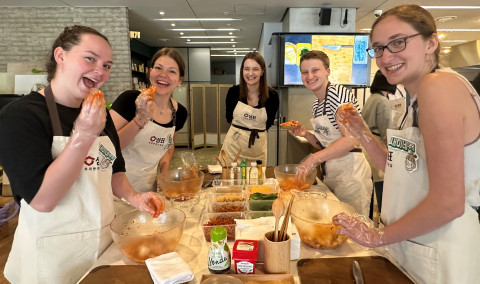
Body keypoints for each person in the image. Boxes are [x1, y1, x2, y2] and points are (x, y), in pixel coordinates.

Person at [0, 25, 164, 283]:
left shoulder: (98, 112)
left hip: (102, 248)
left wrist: (135, 197)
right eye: (90, 58)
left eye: (107, 65)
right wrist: (83, 135)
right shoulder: (21, 116)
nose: (100, 71)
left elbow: (114, 170)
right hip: (52, 261)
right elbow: (43, 201)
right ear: (60, 56)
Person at [333, 5, 480, 284]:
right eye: (378, 48)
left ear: (431, 42)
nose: (386, 56)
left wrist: (376, 236)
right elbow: (402, 174)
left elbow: (449, 203)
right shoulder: (408, 98)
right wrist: (363, 134)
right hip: (413, 243)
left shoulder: (438, 86)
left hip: (442, 247)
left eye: (398, 42)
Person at [292, 50, 372, 216]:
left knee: (353, 227)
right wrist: (306, 134)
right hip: (333, 172)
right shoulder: (317, 104)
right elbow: (325, 144)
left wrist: (313, 159)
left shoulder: (339, 94)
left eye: (315, 70)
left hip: (351, 174)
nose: (309, 76)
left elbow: (351, 140)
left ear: (328, 71)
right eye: (305, 72)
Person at [110, 48, 188, 193]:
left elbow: (168, 145)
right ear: (150, 72)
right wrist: (138, 121)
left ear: (179, 80)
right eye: (158, 68)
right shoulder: (129, 100)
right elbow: (106, 147)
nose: (163, 75)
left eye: (171, 71)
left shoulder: (180, 113)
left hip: (148, 188)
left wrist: (164, 173)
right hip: (115, 187)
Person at [220, 52, 279, 166]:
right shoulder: (233, 92)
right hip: (233, 149)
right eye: (247, 69)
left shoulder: (272, 96)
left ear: (262, 71)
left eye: (255, 69)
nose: (250, 73)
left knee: (257, 181)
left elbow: (268, 124)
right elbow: (229, 118)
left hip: (257, 150)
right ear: (242, 71)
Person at [362, 70, 396, 217]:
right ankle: (383, 219)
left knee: (370, 188)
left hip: (367, 146)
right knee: (382, 186)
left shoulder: (372, 98)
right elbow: (385, 131)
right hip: (377, 147)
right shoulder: (383, 101)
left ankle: (371, 218)